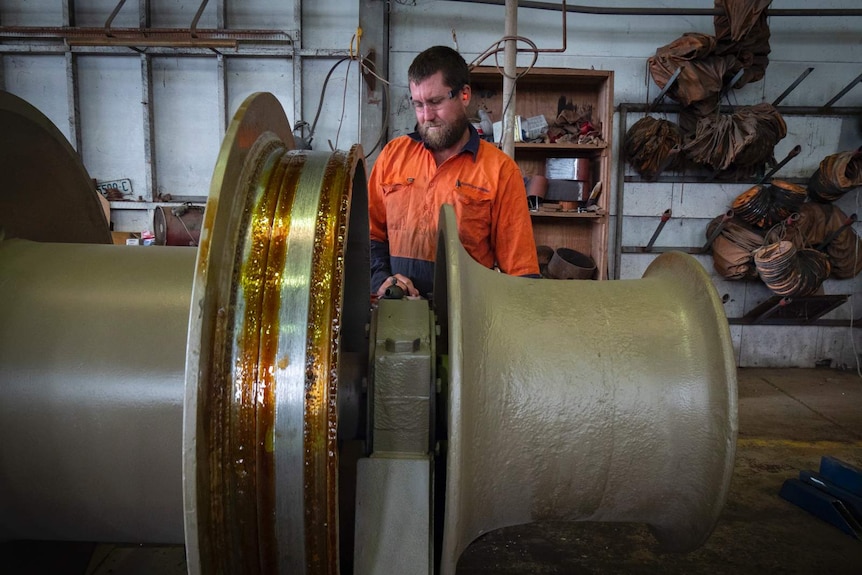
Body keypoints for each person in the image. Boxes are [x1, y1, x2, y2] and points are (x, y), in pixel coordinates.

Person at [368, 45, 540, 300]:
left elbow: (521, 272)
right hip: (396, 315)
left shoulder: (500, 171)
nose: (427, 116)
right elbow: (368, 236)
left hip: (467, 322)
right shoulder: (393, 156)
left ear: (464, 95)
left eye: (436, 102)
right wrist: (382, 279)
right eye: (418, 104)